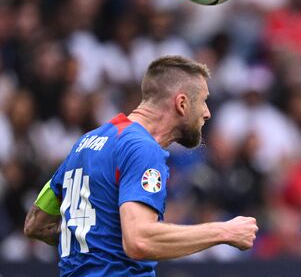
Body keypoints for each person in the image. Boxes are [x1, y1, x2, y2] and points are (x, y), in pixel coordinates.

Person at [23, 55, 258, 276]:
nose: (207, 113)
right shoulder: (142, 148)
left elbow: (36, 224)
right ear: (182, 103)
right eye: (204, 101)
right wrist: (224, 232)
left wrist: (95, 239)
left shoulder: (85, 143)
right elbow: (140, 241)